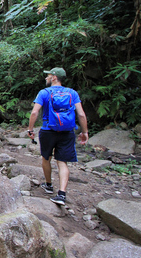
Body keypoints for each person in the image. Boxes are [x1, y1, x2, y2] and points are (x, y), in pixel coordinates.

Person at [27, 67, 88, 206]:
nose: (46, 78)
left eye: (48, 76)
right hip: (67, 132)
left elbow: (35, 112)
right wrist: (85, 132)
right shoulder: (72, 93)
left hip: (48, 130)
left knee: (46, 158)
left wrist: (30, 129)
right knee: (62, 162)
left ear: (54, 77)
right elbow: (81, 114)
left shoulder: (44, 92)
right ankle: (61, 194)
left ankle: (48, 185)